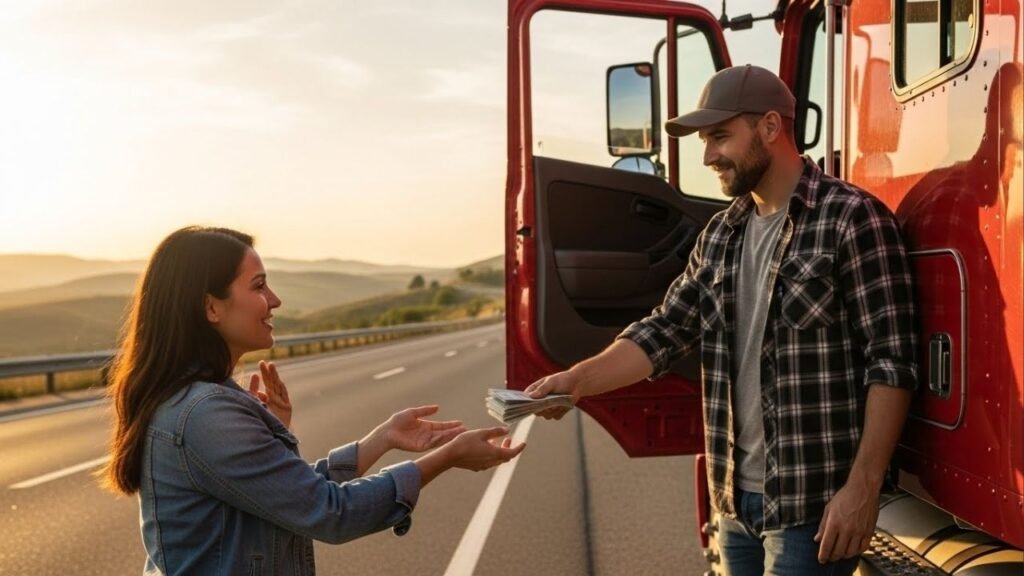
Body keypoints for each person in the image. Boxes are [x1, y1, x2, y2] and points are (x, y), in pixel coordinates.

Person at [525, 65, 917, 575]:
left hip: (811, 511)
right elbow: (664, 331)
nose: (708, 156)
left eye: (719, 137)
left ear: (771, 128)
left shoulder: (851, 219)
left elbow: (891, 364)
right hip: (734, 504)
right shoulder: (720, 235)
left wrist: (862, 488)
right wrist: (575, 382)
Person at [102, 226, 525, 576]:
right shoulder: (205, 413)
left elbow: (291, 495)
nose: (275, 300)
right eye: (259, 286)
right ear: (211, 307)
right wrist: (447, 457)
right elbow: (330, 512)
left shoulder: (196, 399)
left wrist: (382, 439)